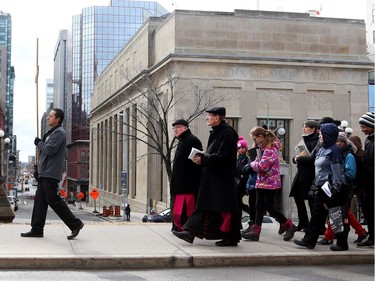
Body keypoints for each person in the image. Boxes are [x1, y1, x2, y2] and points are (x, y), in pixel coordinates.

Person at [172, 107, 242, 247]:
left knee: (219, 208)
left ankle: (230, 236)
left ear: (217, 117)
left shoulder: (227, 133)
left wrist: (203, 160)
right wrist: (203, 157)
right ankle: (190, 232)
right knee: (206, 207)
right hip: (213, 177)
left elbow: (224, 156)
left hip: (221, 179)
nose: (206, 118)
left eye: (209, 116)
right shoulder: (217, 132)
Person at [21, 109, 84, 240]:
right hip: (45, 173)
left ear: (58, 119)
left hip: (51, 173)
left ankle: (75, 224)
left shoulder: (59, 133)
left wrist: (39, 143)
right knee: (40, 202)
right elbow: (44, 154)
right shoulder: (51, 133)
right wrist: (39, 171)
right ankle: (37, 229)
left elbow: (49, 150)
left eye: (51, 116)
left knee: (54, 200)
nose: (48, 118)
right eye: (48, 116)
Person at [294, 123, 349, 251]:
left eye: (321, 134)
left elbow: (337, 171)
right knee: (317, 213)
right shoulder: (322, 149)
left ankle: (342, 243)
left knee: (336, 214)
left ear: (328, 135)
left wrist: (334, 189)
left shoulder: (335, 150)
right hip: (322, 186)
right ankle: (309, 240)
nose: (319, 136)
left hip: (332, 188)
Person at [241, 126, 297, 242]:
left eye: (254, 138)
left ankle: (288, 224)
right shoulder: (262, 148)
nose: (254, 141)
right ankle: (255, 231)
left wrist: (251, 165)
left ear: (261, 137)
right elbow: (257, 161)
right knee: (259, 206)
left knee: (269, 207)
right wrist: (253, 164)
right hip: (262, 182)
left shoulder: (270, 149)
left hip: (270, 182)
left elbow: (263, 166)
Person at [317, 132, 368, 245]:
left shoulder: (348, 155)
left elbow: (351, 174)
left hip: (343, 187)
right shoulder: (338, 153)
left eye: (340, 141)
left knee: (336, 210)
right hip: (337, 185)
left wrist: (337, 175)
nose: (338, 143)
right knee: (342, 211)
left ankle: (330, 236)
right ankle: (360, 232)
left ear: (345, 142)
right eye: (336, 141)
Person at [170, 119, 202, 232]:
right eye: (174, 128)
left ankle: (187, 228)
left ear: (185, 128)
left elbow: (197, 163)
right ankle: (178, 227)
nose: (175, 130)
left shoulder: (192, 140)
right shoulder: (182, 141)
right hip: (180, 183)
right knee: (179, 208)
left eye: (178, 127)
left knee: (187, 208)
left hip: (188, 184)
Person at [289, 120, 319, 231]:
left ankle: (313, 225)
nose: (303, 129)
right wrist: (296, 159)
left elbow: (312, 158)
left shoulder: (316, 141)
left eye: (306, 127)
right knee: (297, 196)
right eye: (303, 127)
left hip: (310, 174)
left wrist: (299, 159)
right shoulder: (304, 141)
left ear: (313, 129)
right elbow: (298, 156)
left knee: (311, 200)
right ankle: (303, 222)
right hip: (301, 173)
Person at [357, 112, 374, 247]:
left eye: (364, 126)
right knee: (369, 211)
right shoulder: (369, 140)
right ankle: (372, 236)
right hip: (368, 182)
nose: (362, 129)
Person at [348, 135, 367, 226]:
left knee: (362, 204)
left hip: (359, 185)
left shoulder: (358, 155)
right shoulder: (359, 154)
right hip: (358, 185)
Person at [235, 136, 250, 215]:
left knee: (237, 201)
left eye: (243, 148)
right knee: (237, 201)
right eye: (240, 148)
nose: (241, 150)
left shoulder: (248, 159)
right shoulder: (236, 159)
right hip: (237, 183)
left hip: (244, 184)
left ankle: (248, 210)